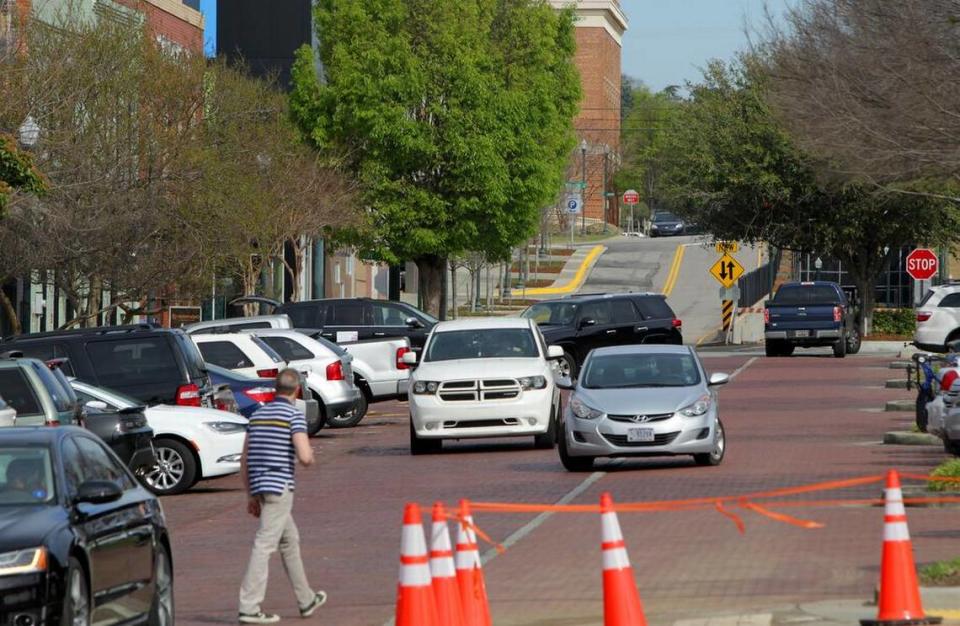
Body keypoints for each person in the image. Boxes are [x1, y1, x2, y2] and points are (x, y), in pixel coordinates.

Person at [238, 369, 326, 624]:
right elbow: (305, 456)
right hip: (280, 487)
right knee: (264, 544)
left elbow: (244, 459)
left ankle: (306, 599)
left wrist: (250, 496)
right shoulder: (293, 416)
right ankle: (249, 606)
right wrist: (309, 455)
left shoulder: (257, 415)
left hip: (260, 487)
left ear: (275, 389)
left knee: (289, 540)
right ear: (297, 390)